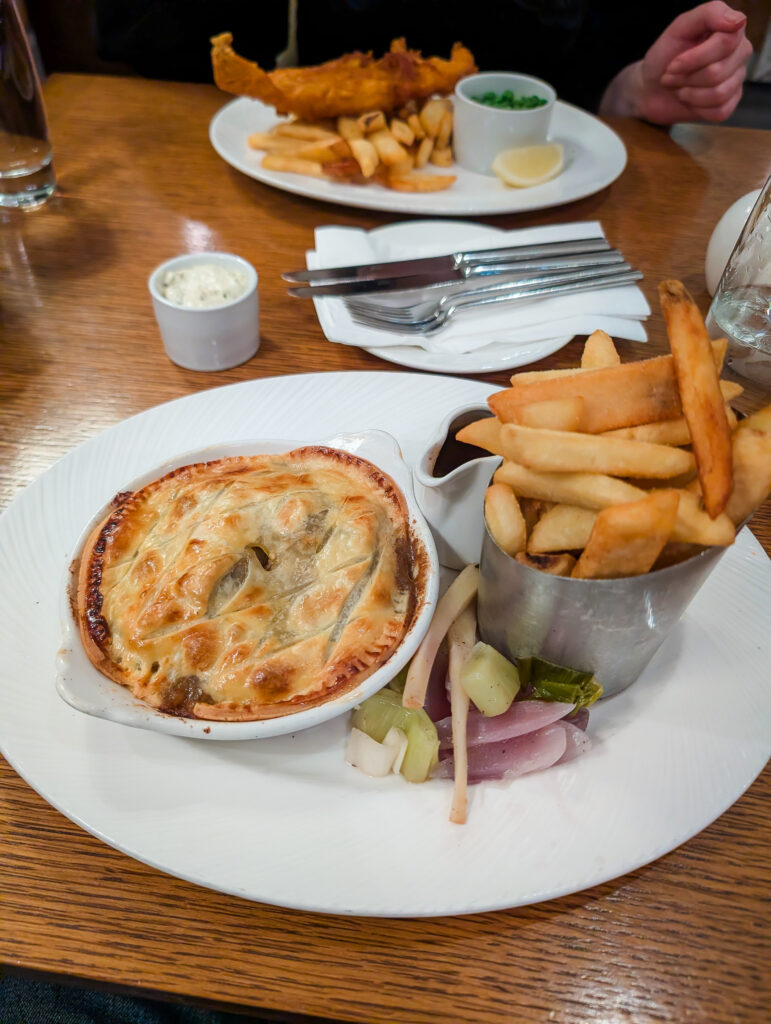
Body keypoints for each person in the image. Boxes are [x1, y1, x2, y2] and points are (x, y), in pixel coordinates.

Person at [93, 0, 752, 125]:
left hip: (556, 206)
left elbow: (623, 68)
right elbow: (160, 50)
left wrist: (639, 87)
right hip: (314, 215)